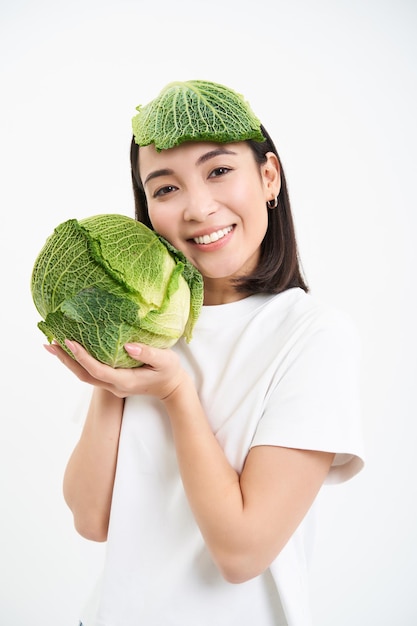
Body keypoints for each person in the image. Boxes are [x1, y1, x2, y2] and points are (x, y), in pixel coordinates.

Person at [45, 80, 364, 626]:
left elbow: (241, 553)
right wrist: (109, 380)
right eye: (165, 189)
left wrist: (175, 392)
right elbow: (91, 518)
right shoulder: (149, 322)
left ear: (269, 177)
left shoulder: (311, 336)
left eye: (218, 171)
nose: (197, 207)